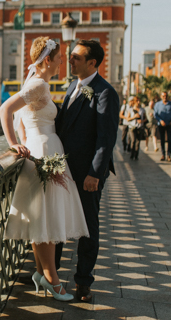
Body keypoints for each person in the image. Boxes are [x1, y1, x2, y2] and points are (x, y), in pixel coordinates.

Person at [0, 37, 89, 302]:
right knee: (46, 218)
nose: (63, 61)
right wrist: (14, 144)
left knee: (43, 217)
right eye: (60, 57)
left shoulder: (38, 84)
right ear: (47, 60)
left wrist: (23, 141)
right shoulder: (37, 84)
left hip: (44, 147)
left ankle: (41, 274)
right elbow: (5, 109)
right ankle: (53, 280)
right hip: (42, 150)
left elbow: (24, 119)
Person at [54, 39, 119, 303]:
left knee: (88, 228)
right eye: (71, 56)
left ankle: (83, 282)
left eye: (76, 57)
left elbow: (106, 139)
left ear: (92, 63)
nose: (71, 60)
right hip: (64, 168)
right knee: (57, 220)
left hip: (87, 174)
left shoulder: (105, 93)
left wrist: (94, 173)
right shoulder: (72, 86)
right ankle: (51, 274)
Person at [154, 91, 171, 162]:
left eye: (166, 96)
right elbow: (155, 114)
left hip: (170, 124)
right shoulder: (157, 104)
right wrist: (160, 120)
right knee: (162, 140)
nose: (165, 97)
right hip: (161, 124)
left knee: (169, 140)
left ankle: (169, 155)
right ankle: (163, 154)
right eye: (163, 96)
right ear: (161, 96)